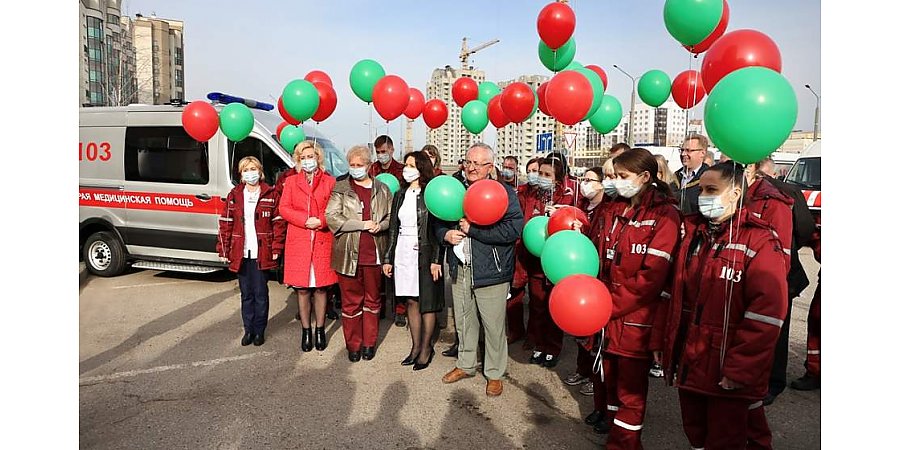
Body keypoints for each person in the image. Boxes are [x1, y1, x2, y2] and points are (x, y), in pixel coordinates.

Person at [662, 162, 788, 449]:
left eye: (711, 189)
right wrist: (666, 343)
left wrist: (739, 369)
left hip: (724, 367)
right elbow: (676, 296)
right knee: (696, 433)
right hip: (691, 360)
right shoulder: (694, 234)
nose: (703, 195)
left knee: (725, 439)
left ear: (734, 193)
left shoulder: (760, 241)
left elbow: (766, 316)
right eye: (701, 189)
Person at [598, 148, 681, 449]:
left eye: (623, 176)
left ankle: (625, 444)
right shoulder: (616, 207)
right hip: (607, 312)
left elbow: (650, 278)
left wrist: (608, 304)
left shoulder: (665, 214)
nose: (617, 182)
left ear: (646, 177)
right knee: (610, 383)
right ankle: (613, 436)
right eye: (615, 176)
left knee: (630, 392)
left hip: (636, 318)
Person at [438, 143, 524, 397]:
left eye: (478, 163)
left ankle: (495, 373)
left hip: (491, 271)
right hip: (461, 267)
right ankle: (465, 364)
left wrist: (473, 230)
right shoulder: (455, 191)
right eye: (468, 162)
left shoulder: (504, 193)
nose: (472, 167)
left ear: (490, 167)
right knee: (464, 321)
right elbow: (438, 222)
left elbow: (512, 230)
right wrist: (446, 234)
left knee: (493, 325)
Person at [326, 145, 393, 362]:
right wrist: (361, 224)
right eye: (352, 165)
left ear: (368, 165)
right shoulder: (341, 188)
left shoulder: (382, 189)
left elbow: (391, 218)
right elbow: (332, 217)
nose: (355, 169)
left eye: (359, 165)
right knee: (351, 302)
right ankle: (353, 344)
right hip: (348, 254)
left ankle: (369, 344)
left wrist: (380, 226)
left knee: (373, 301)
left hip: (373, 254)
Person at [383, 151, 445, 371]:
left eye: (411, 165)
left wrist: (437, 258)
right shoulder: (400, 194)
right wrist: (388, 257)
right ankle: (415, 346)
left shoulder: (430, 193)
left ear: (421, 168)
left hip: (426, 252)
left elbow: (438, 228)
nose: (406, 169)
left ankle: (426, 348)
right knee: (410, 300)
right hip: (403, 251)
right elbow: (392, 228)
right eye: (406, 165)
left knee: (426, 302)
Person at [279, 141, 339, 352]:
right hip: (300, 240)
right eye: (303, 157)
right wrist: (305, 219)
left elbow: (335, 208)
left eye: (310, 156)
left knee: (321, 288)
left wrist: (321, 220)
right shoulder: (291, 181)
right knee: (302, 290)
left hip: (322, 241)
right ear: (297, 160)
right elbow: (284, 208)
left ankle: (320, 329)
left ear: (318, 158)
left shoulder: (330, 181)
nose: (307, 161)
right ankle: (306, 330)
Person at [217, 156, 282, 347]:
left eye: (253, 169)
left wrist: (276, 247)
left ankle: (259, 331)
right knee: (246, 294)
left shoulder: (270, 194)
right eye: (246, 170)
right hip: (241, 252)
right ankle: (248, 330)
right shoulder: (234, 195)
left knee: (261, 293)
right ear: (241, 174)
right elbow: (226, 223)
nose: (250, 173)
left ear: (260, 171)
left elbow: (278, 224)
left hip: (262, 251)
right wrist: (224, 248)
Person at [519, 157, 575, 369]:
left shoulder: (567, 198)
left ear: (558, 179)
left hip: (557, 263)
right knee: (537, 306)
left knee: (553, 308)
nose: (541, 178)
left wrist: (560, 214)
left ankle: (553, 348)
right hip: (535, 262)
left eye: (547, 175)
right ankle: (539, 345)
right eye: (539, 174)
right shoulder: (534, 194)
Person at [508, 157, 542, 346]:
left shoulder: (547, 195)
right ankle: (515, 330)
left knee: (537, 301)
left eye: (536, 171)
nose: (533, 175)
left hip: (538, 252)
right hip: (519, 248)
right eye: (530, 170)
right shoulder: (520, 192)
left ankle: (534, 336)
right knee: (515, 293)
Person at [674, 134, 711, 215]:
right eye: (682, 150)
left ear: (702, 153)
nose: (683, 154)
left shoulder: (710, 179)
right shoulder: (674, 178)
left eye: (688, 150)